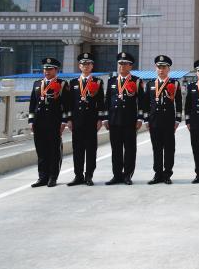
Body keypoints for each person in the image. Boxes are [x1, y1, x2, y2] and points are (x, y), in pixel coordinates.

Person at [104, 52, 144, 185]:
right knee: (116, 150)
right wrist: (105, 119)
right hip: (114, 120)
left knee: (130, 149)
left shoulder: (136, 81)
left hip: (130, 121)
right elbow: (107, 101)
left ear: (130, 66)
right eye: (120, 64)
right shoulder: (112, 81)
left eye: (125, 64)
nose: (122, 66)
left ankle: (127, 175)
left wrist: (140, 118)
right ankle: (116, 175)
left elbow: (142, 102)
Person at [28, 57, 69, 187]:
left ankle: (53, 177)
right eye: (45, 69)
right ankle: (42, 177)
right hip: (39, 122)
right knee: (41, 150)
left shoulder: (62, 84)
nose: (47, 71)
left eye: (50, 69)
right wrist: (31, 120)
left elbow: (66, 105)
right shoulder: (37, 84)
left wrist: (64, 122)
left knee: (54, 150)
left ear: (56, 70)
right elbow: (32, 104)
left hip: (54, 121)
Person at [66, 52, 105, 186]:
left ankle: (89, 176)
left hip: (91, 120)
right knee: (77, 149)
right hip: (77, 121)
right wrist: (69, 119)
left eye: (88, 64)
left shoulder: (98, 82)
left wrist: (100, 119)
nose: (85, 66)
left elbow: (101, 102)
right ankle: (78, 176)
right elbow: (69, 103)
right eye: (83, 64)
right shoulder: (73, 83)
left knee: (91, 149)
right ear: (79, 66)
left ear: (92, 66)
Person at [144, 55, 182, 185]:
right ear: (156, 68)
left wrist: (177, 120)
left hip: (168, 121)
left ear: (168, 69)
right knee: (157, 148)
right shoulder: (150, 84)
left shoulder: (174, 83)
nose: (161, 70)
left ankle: (167, 174)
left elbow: (179, 103)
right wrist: (146, 120)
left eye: (164, 67)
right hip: (154, 121)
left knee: (169, 148)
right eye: (159, 67)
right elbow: (146, 104)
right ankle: (157, 174)